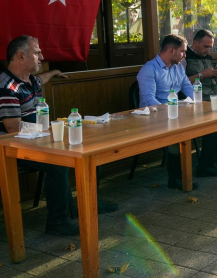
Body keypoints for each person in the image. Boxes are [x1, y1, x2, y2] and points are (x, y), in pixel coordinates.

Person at [0, 36, 115, 236]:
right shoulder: (7, 86)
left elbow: (41, 79)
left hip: (38, 139)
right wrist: (48, 130)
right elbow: (13, 128)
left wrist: (53, 72)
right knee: (58, 163)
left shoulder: (29, 79)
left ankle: (88, 204)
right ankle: (58, 222)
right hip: (12, 146)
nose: (41, 57)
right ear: (21, 57)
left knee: (89, 147)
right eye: (37, 53)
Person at [137, 34, 202, 190]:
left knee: (208, 121)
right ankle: (176, 178)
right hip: (153, 116)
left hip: (175, 112)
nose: (185, 55)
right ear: (172, 50)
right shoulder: (149, 69)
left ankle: (205, 166)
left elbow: (187, 86)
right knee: (177, 132)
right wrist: (170, 113)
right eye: (183, 52)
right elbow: (148, 100)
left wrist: (198, 103)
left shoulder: (178, 66)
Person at [182, 30, 217, 176]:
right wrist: (201, 75)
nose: (208, 50)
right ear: (195, 43)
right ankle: (206, 165)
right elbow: (182, 83)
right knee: (214, 124)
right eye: (205, 46)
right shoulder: (185, 58)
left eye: (210, 47)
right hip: (198, 101)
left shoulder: (208, 57)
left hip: (215, 98)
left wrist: (216, 75)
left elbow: (213, 82)